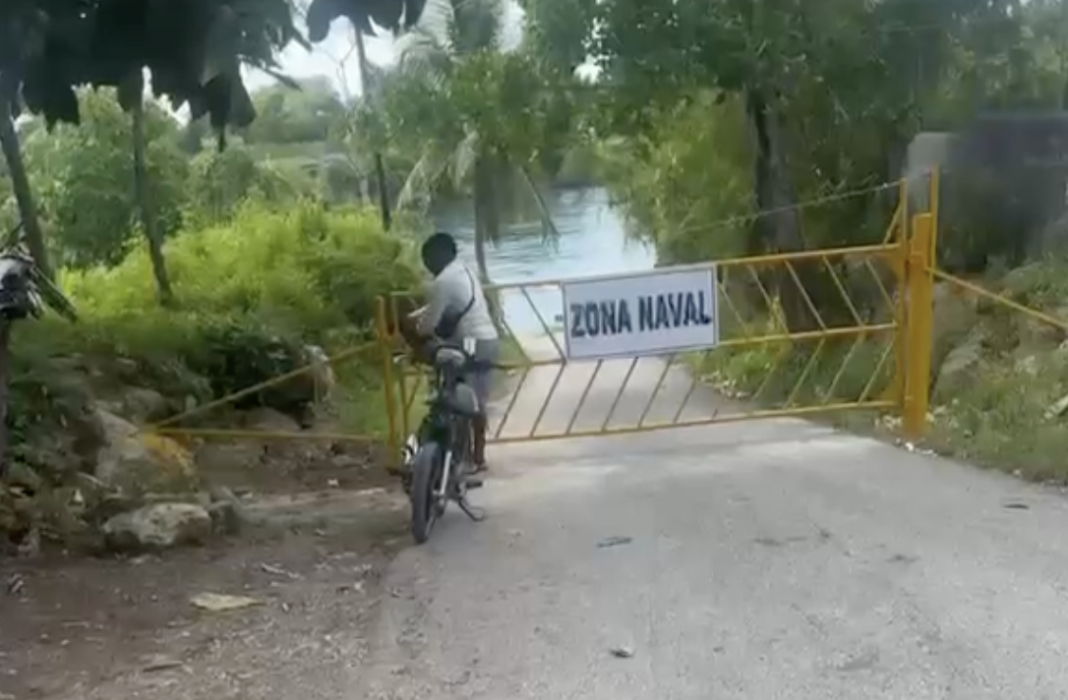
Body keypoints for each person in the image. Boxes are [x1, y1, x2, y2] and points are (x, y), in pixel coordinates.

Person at [411, 232, 499, 473]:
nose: (427, 265)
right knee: (476, 400)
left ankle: (467, 457)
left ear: (440, 255)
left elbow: (427, 326)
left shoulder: (443, 281)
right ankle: (475, 456)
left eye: (428, 258)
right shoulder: (465, 271)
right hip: (487, 339)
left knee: (464, 401)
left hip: (471, 342)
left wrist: (415, 329)